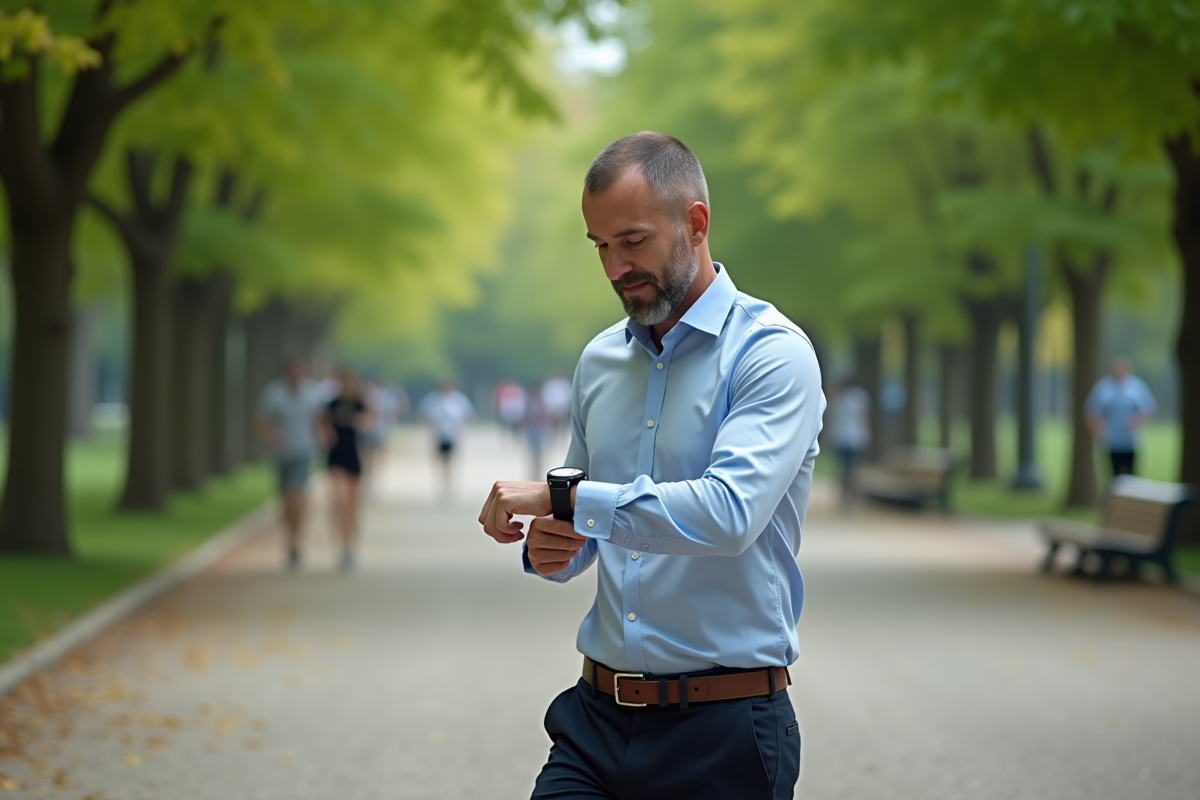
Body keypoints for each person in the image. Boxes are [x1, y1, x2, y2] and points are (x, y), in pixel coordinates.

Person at [478, 132, 823, 800]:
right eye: (600, 246)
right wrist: (553, 546)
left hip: (724, 731)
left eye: (631, 241)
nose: (614, 267)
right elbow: (581, 525)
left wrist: (565, 503)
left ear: (695, 223)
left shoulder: (772, 356)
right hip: (594, 722)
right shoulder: (600, 361)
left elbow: (727, 516)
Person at [256, 358, 325, 571]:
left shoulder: (313, 394)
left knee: (297, 496)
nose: (296, 375)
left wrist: (322, 437)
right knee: (286, 500)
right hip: (282, 454)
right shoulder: (273, 394)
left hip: (304, 452)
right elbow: (262, 421)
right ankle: (289, 538)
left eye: (300, 371)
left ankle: (296, 542)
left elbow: (320, 420)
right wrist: (271, 436)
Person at [322, 367, 373, 571]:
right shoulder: (331, 404)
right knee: (340, 500)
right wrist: (325, 433)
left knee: (352, 504)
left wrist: (361, 421)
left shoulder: (359, 403)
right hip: (336, 457)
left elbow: (371, 419)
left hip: (353, 456)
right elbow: (321, 423)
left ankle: (349, 546)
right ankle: (341, 545)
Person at [1086, 356, 1157, 478]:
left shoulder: (1137, 386)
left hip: (1131, 440)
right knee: (1113, 476)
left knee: (1132, 475)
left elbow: (1148, 407)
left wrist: (1136, 422)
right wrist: (1099, 430)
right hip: (1111, 441)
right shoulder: (1103, 388)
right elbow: (1092, 411)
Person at [418, 380, 475, 496]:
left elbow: (468, 414)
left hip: (452, 435)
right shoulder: (432, 400)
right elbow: (424, 414)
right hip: (439, 435)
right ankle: (441, 483)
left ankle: (449, 484)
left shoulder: (458, 399)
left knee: (450, 460)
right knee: (440, 460)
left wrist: (462, 427)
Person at [828, 376, 871, 506]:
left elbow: (830, 416)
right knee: (853, 467)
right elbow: (865, 417)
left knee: (843, 468)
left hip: (841, 437)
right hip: (856, 437)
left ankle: (845, 493)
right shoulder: (860, 397)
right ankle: (852, 493)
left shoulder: (838, 397)